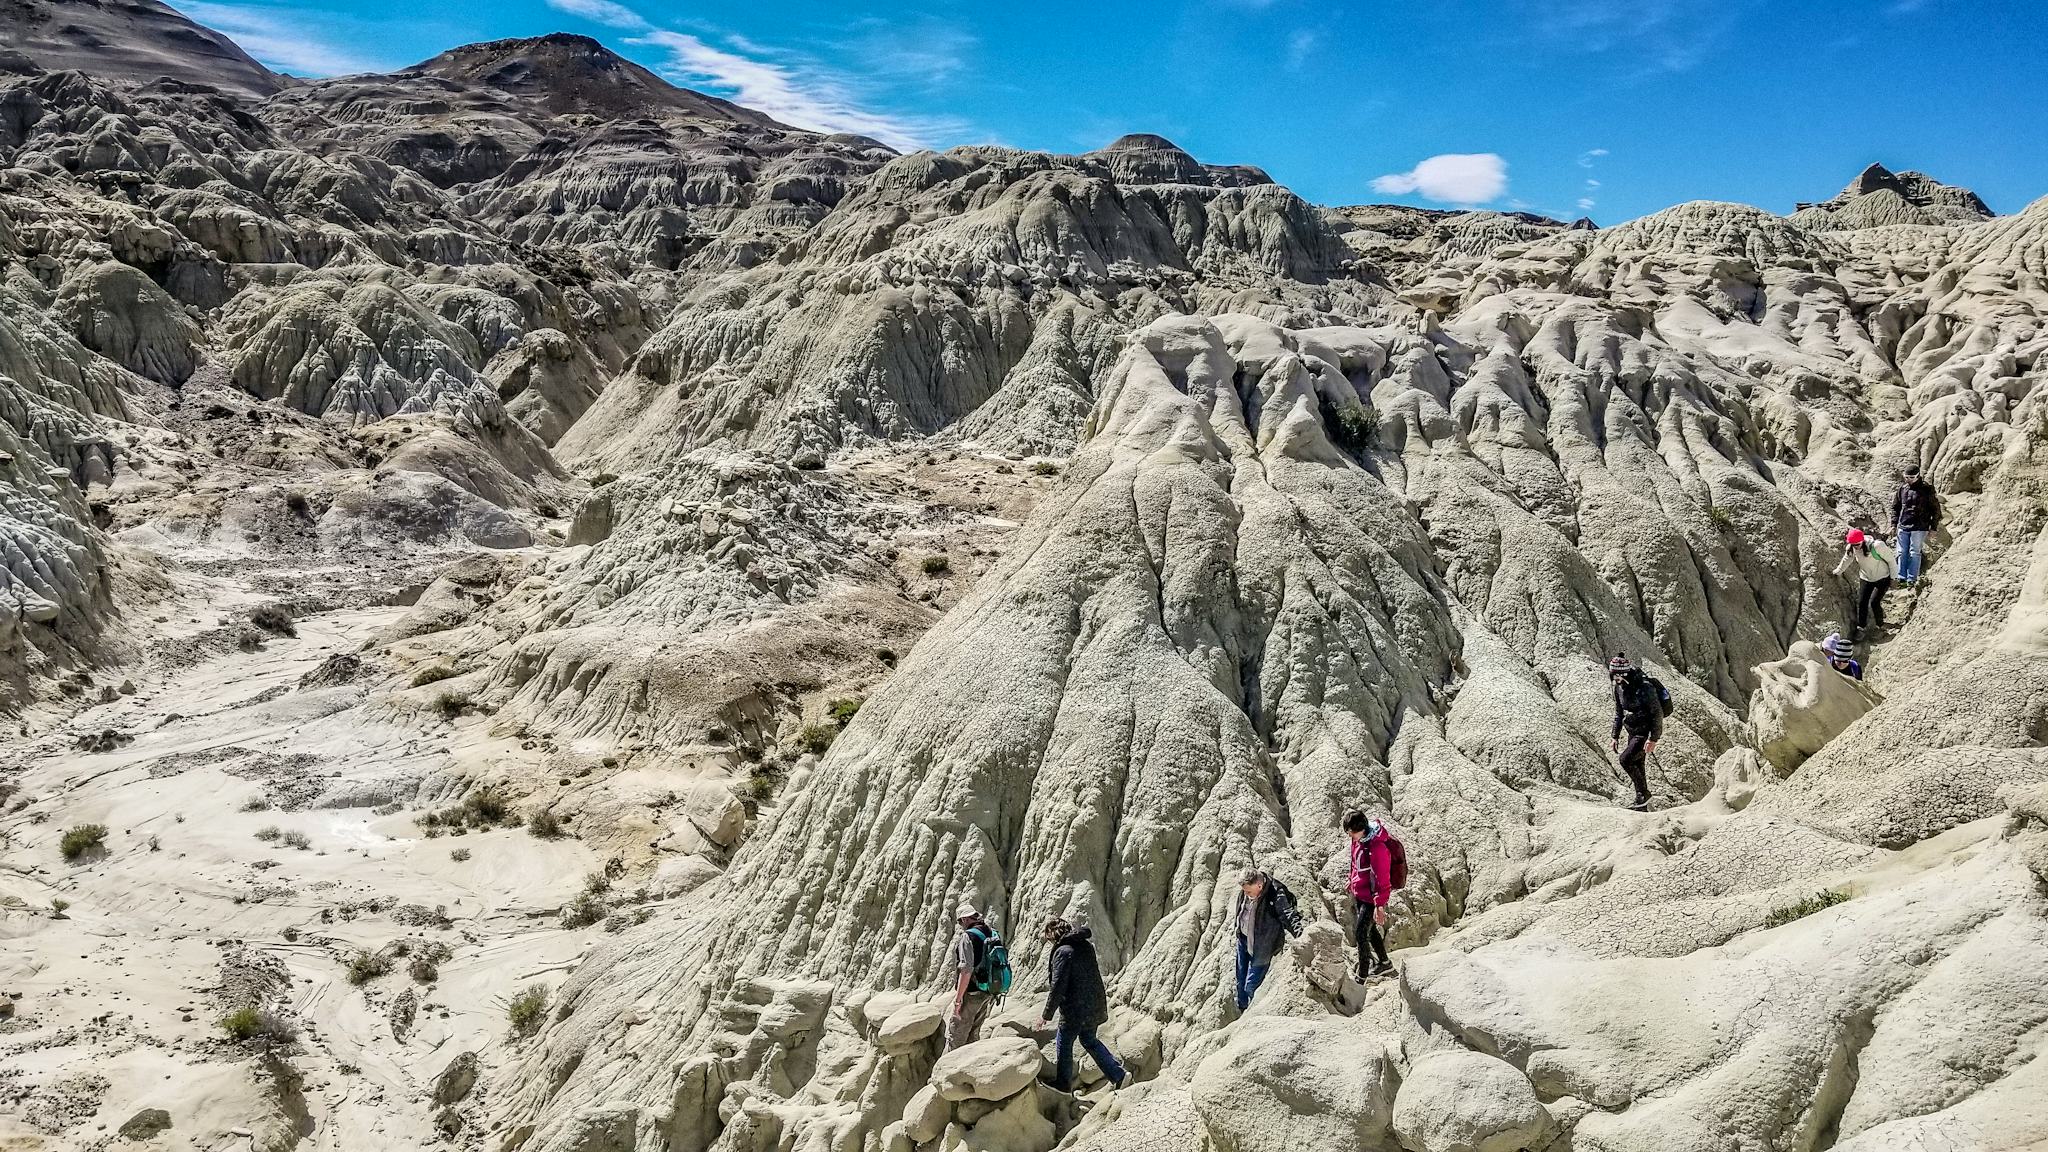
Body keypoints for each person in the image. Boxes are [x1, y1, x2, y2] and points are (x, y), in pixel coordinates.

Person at [1036, 917, 1125, 1091]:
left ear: (1052, 934)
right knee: (1089, 1039)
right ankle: (1119, 1076)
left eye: (1048, 938)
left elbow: (1058, 986)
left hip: (1076, 1009)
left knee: (1064, 1042)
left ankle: (1063, 1085)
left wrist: (1046, 1015)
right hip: (1094, 1003)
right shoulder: (1085, 945)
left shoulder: (1063, 951)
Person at [1231, 867, 1303, 1011]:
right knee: (1240, 981)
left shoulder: (1275, 895)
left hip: (1263, 946)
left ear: (1259, 885)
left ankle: (1254, 1013)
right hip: (1244, 940)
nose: (1245, 894)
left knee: (1251, 986)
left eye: (1248, 891)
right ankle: (1243, 1009)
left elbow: (1288, 916)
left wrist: (1302, 937)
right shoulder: (1247, 890)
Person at [1607, 654, 1664, 812]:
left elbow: (1657, 713)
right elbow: (1619, 713)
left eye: (1615, 675)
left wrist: (1653, 738)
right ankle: (1642, 806)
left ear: (1623, 674)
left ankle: (1643, 795)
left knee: (1625, 759)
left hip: (1644, 733)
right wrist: (1615, 736)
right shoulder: (1618, 687)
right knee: (1638, 765)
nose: (1613, 678)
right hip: (1632, 731)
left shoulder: (1644, 687)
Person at [1342, 811, 1394, 981]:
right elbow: (1354, 863)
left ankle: (1362, 975)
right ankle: (1384, 963)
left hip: (1371, 897)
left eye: (1352, 832)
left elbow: (1383, 878)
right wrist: (1351, 879)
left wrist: (1379, 905)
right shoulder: (1358, 840)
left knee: (1360, 934)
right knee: (1369, 931)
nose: (1349, 835)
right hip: (1360, 892)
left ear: (1362, 829)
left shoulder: (1376, 847)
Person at [946, 904, 1003, 1050]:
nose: (960, 925)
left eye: (960, 921)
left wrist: (958, 1001)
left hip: (972, 993)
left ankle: (947, 1071)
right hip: (988, 991)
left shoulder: (968, 937)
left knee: (955, 1037)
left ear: (965, 919)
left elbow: (966, 970)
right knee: (973, 1035)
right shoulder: (992, 932)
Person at [1833, 529, 1895, 638]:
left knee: (1874, 602)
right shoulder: (1852, 548)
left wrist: (1894, 578)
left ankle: (1880, 625)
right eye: (1853, 544)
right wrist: (1837, 572)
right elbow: (1846, 560)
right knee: (1862, 603)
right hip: (1866, 578)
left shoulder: (1877, 546)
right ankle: (1861, 627)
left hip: (1882, 577)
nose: (1855, 546)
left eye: (1857, 544)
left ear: (1862, 541)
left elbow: (1891, 560)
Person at [1891, 465, 1941, 584]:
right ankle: (1901, 577)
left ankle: (1912, 579)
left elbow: (1936, 509)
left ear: (1918, 476)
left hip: (1920, 527)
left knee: (1914, 552)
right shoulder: (1902, 489)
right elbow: (1895, 507)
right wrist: (1893, 523)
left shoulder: (1927, 489)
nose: (1908, 479)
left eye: (1911, 477)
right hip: (1903, 525)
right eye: (1906, 477)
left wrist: (1933, 528)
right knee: (1901, 552)